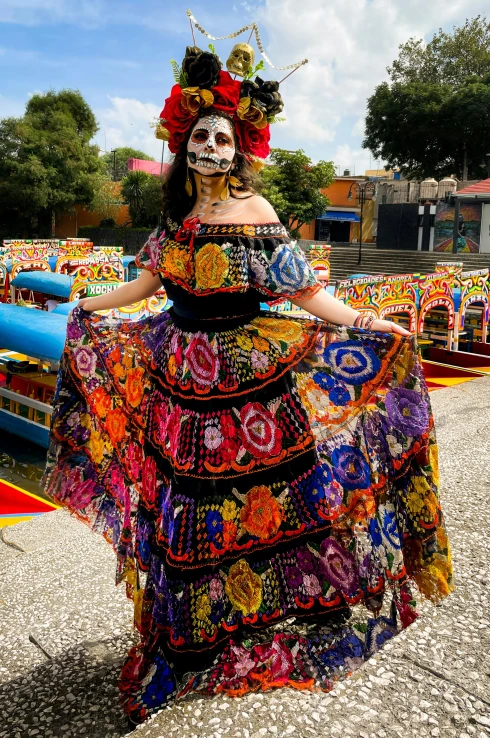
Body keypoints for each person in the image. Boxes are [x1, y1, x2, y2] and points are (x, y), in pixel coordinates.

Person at [44, 42, 453, 726]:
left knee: (279, 503)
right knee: (191, 510)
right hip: (180, 378)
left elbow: (306, 294)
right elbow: (146, 284)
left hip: (251, 377)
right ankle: (196, 638)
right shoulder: (175, 219)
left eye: (222, 138)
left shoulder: (257, 212)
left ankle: (267, 621)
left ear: (239, 150)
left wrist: (366, 321)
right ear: (185, 144)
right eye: (200, 135)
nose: (209, 145)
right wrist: (91, 305)